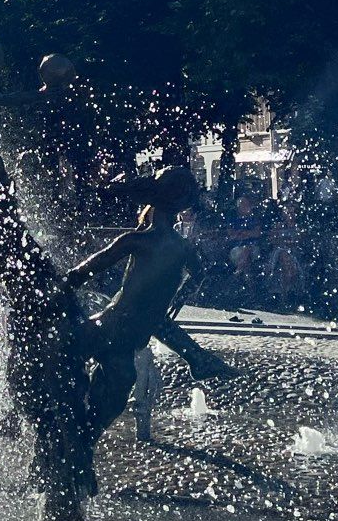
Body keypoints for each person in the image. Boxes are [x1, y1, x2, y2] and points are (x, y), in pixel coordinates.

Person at [67, 167, 232, 442]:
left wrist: (62, 284)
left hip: (106, 329)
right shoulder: (182, 248)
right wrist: (178, 297)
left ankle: (25, 414)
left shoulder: (137, 240)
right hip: (129, 342)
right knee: (94, 425)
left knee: (55, 364)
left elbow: (87, 270)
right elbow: (200, 276)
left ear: (151, 204)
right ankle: (197, 358)